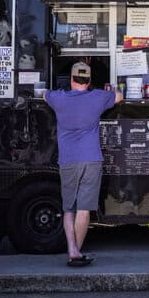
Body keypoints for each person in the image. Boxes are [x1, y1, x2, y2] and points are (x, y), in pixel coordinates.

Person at [44, 62, 122, 267]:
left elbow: (44, 95)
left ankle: (72, 250)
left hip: (68, 160)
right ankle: (76, 253)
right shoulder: (98, 97)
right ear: (89, 82)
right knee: (84, 209)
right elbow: (120, 97)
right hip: (91, 159)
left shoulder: (58, 98)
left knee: (69, 208)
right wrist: (112, 89)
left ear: (71, 79)